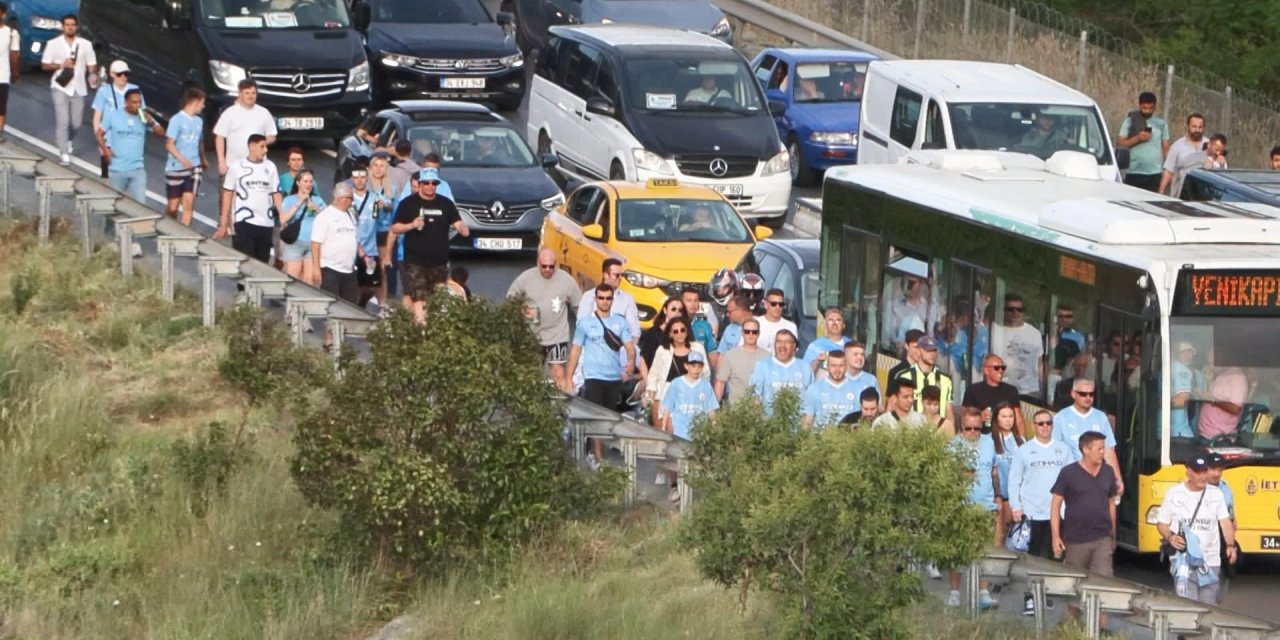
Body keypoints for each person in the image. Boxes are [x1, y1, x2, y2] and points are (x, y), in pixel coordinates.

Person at [1008, 408, 1073, 616]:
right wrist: (1016, 507)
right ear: (1033, 426)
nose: (1045, 427)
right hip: (1032, 512)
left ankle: (1044, 594)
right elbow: (1014, 479)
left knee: (1054, 556)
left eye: (1048, 423)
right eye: (1040, 424)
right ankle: (1030, 598)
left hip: (1057, 513)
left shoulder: (1063, 450)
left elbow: (1072, 479)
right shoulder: (1024, 450)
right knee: (1033, 557)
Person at [564, 283, 636, 468]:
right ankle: (598, 458)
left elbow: (629, 345)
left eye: (608, 298)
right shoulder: (585, 323)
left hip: (613, 377)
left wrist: (629, 362)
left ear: (612, 300)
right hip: (593, 376)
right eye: (601, 298)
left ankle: (593, 451)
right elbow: (576, 350)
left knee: (609, 418)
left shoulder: (620, 322)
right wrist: (568, 377)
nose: (604, 301)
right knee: (597, 417)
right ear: (595, 299)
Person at [1050, 431, 1118, 627]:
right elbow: (1055, 504)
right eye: (1099, 448)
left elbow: (1111, 503)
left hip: (1102, 537)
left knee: (1103, 584)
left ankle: (1102, 629)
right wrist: (1056, 536)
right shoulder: (1069, 473)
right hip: (1076, 538)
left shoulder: (1107, 472)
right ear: (1086, 450)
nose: (1103, 452)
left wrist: (1113, 533)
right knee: (1074, 585)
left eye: (1103, 448)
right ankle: (1071, 626)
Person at [387, 167, 468, 324]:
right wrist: (411, 225)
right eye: (426, 183)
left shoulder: (445, 204)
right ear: (420, 184)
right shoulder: (408, 203)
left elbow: (458, 222)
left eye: (433, 183)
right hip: (415, 261)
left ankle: (429, 328)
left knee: (436, 298)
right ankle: (421, 330)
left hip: (439, 261)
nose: (430, 186)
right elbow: (395, 228)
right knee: (419, 298)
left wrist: (462, 228)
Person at [1155, 456, 1236, 605]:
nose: (1203, 476)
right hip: (1183, 561)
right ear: (1188, 473)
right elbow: (1161, 523)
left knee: (1208, 605)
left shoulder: (1216, 494)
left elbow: (1225, 522)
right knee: (1187, 605)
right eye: (1198, 472)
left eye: (1205, 471)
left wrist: (1231, 546)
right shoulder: (1174, 493)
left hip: (1210, 561)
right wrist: (1170, 537)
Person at [947, 407, 999, 609]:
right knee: (958, 552)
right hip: (961, 507)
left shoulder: (988, 443)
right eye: (968, 428)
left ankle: (983, 592)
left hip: (986, 506)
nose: (973, 432)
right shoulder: (952, 446)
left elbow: (994, 472)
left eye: (977, 428)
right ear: (961, 426)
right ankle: (954, 592)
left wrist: (998, 498)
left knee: (985, 551)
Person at [508, 249, 581, 391]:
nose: (548, 269)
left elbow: (578, 306)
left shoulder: (566, 280)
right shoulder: (525, 278)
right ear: (538, 263)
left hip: (557, 335)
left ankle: (560, 404)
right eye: (544, 266)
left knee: (558, 372)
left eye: (551, 266)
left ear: (555, 264)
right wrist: (523, 310)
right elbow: (510, 300)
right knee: (531, 373)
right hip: (532, 336)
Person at [215, 134, 282, 263]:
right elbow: (227, 195)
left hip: (266, 222)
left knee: (262, 263)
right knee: (246, 262)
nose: (265, 150)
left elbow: (276, 193)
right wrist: (224, 224)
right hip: (244, 221)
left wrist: (283, 217)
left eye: (266, 146)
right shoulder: (237, 167)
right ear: (252, 146)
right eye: (262, 146)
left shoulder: (270, 167)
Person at [42, 14, 98, 166]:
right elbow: (45, 65)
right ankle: (63, 153)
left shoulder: (85, 44)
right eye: (67, 24)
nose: (70, 27)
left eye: (72, 24)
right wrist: (61, 65)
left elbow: (91, 64)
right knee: (63, 121)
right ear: (62, 26)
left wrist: (92, 74)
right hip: (60, 86)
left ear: (77, 26)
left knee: (76, 123)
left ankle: (69, 140)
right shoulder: (53, 44)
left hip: (79, 87)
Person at [1054, 378, 1124, 500]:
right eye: (1083, 394)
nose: (1088, 397)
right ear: (1073, 394)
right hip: (1072, 479)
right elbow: (1055, 451)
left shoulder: (1101, 417)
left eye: (1091, 394)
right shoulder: (1061, 418)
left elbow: (1109, 451)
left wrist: (1117, 479)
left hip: (1098, 477)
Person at [575, 259, 642, 383]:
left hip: (620, 349)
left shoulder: (627, 299)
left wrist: (627, 352)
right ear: (605, 275)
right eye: (617, 275)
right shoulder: (589, 297)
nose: (620, 278)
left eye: (622, 275)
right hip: (593, 349)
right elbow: (581, 327)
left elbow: (635, 332)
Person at [94, 89, 164, 203]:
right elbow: (99, 134)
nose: (138, 105)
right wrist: (105, 150)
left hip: (137, 169)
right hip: (117, 169)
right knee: (113, 205)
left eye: (139, 102)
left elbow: (161, 133)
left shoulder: (144, 116)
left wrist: (151, 122)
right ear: (126, 102)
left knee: (141, 207)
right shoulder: (114, 115)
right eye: (134, 102)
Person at [310, 182, 371, 307]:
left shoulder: (351, 215)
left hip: (349, 269)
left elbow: (354, 239)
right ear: (342, 199)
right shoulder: (325, 216)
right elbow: (316, 244)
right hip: (330, 269)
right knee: (332, 308)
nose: (352, 202)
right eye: (351, 199)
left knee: (349, 307)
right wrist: (316, 268)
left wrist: (364, 256)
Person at [647, 316, 710, 426]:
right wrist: (651, 396)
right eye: (675, 331)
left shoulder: (697, 348)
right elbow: (654, 374)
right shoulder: (663, 350)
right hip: (668, 392)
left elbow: (705, 373)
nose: (680, 333)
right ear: (670, 334)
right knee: (671, 428)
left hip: (692, 394)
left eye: (682, 330)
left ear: (687, 331)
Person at [213, 79, 276, 177]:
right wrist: (221, 162)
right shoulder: (229, 113)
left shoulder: (264, 113)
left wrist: (260, 143)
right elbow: (219, 137)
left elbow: (272, 135)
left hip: (259, 167)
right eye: (247, 93)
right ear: (240, 93)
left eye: (253, 93)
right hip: (233, 167)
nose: (250, 96)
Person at [91, 60, 143, 178]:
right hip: (109, 137)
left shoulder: (135, 89)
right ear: (113, 74)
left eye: (126, 74)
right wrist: (98, 137)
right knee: (107, 173)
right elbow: (97, 116)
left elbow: (141, 111)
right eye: (120, 74)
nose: (123, 77)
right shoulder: (104, 91)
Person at [163, 87, 207, 225]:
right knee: (173, 207)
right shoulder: (176, 120)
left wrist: (203, 159)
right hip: (176, 168)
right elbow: (169, 144)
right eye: (202, 103)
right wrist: (183, 159)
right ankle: (168, 229)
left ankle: (183, 238)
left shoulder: (199, 121)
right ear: (195, 102)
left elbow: (200, 142)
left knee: (189, 205)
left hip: (194, 168)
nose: (203, 106)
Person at [371, 155, 409, 313]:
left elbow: (398, 211)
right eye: (375, 165)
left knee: (383, 269)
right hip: (367, 232)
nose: (378, 169)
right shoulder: (366, 188)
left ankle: (383, 303)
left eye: (382, 166)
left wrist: (387, 207)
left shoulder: (391, 189)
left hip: (384, 231)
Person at [1115, 91, 1170, 192]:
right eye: (1144, 108)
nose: (1147, 111)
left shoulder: (1161, 124)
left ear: (1155, 107)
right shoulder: (1130, 121)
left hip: (1155, 173)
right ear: (1140, 105)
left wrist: (1168, 170)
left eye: (1150, 108)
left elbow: (1166, 148)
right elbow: (1120, 144)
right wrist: (1138, 138)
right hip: (1134, 171)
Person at [277, 169, 325, 283]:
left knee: (309, 281)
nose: (308, 184)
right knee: (293, 278)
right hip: (295, 243)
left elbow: (328, 220)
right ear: (298, 183)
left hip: (313, 244)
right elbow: (283, 219)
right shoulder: (290, 200)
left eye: (310, 181)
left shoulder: (318, 200)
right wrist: (299, 203)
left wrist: (317, 209)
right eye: (305, 181)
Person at [749, 329, 812, 414]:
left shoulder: (805, 367)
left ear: (793, 345)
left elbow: (811, 399)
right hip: (771, 423)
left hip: (798, 423)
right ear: (774, 345)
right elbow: (755, 396)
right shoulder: (763, 366)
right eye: (779, 341)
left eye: (787, 342)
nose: (782, 345)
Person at [992, 294, 1043, 397]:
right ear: (1003, 310)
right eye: (1010, 309)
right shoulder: (993, 330)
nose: (1015, 313)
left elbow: (1040, 363)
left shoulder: (1034, 333)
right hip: (1001, 389)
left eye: (1020, 309)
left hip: (1029, 391)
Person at [962, 355, 1025, 434]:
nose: (1001, 371)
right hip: (980, 437)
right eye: (996, 368)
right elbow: (963, 417)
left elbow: (1019, 420)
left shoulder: (1011, 391)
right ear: (986, 371)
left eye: (1003, 368)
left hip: (1006, 437)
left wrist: (1022, 441)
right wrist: (979, 417)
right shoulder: (972, 390)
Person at [896, 335, 954, 419]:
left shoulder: (946, 380)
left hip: (937, 429)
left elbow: (949, 411)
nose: (932, 354)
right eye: (928, 350)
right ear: (919, 351)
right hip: (911, 429)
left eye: (934, 350)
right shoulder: (904, 376)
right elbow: (894, 405)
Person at [802, 350, 862, 429]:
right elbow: (807, 421)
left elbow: (861, 420)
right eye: (833, 365)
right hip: (821, 439)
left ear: (846, 366)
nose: (837, 369)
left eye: (841, 365)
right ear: (827, 366)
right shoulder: (814, 389)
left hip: (848, 439)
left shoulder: (858, 389)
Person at [1205, 454, 1237, 601]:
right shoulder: (1196, 487)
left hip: (1222, 541)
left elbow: (1231, 518)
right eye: (1212, 469)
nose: (1216, 474)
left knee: (1221, 582)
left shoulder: (1226, 489)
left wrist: (1231, 546)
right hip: (1204, 541)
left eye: (1219, 470)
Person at [991, 402, 1024, 541]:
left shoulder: (1021, 441)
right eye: (1004, 416)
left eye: (1011, 416)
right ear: (996, 418)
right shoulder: (989, 440)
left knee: (1012, 535)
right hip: (996, 495)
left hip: (1015, 497)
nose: (1008, 420)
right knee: (998, 536)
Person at [715, 318, 768, 405]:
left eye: (754, 332)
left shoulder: (767, 356)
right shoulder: (730, 355)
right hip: (735, 411)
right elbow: (720, 383)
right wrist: (715, 409)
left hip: (760, 412)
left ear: (758, 334)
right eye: (747, 331)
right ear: (742, 333)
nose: (750, 334)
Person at [638, 297, 688, 381]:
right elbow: (644, 362)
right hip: (659, 383)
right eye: (673, 309)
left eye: (680, 310)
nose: (677, 312)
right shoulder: (653, 333)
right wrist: (648, 384)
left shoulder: (686, 331)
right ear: (665, 310)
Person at [1159, 113, 1207, 196]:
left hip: (1203, 194)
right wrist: (1160, 192)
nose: (1197, 130)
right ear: (1187, 126)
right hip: (1181, 194)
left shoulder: (1210, 145)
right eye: (1194, 126)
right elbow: (1168, 171)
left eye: (1200, 127)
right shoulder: (1177, 146)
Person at [1198, 365, 1247, 440]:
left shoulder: (1237, 377)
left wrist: (1213, 400)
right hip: (1207, 434)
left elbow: (1235, 408)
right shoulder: (1223, 374)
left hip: (1219, 438)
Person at [803, 308, 850, 377]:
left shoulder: (850, 345)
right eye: (831, 320)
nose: (834, 323)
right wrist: (817, 362)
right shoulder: (815, 346)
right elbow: (805, 373)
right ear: (825, 324)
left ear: (843, 325)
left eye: (838, 320)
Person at [1170, 341, 1199, 439]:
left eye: (1190, 352)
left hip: (1173, 431)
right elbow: (1181, 400)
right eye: (1183, 352)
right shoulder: (1180, 369)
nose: (1188, 355)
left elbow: (1181, 399)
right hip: (1176, 431)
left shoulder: (1181, 369)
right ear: (1176, 353)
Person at [755, 288, 798, 354]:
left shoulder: (791, 327)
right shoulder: (755, 323)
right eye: (773, 304)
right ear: (766, 304)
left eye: (781, 304)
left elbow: (793, 352)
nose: (777, 307)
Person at [714, 293, 754, 363]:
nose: (727, 314)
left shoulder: (760, 327)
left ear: (741, 311)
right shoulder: (729, 328)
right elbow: (722, 356)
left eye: (729, 312)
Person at [0, 3, 18, 142]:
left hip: (3, 75)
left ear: (3, 14)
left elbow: (14, 54)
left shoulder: (12, 33)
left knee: (1, 106)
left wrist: (15, 72)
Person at [681, 287, 718, 355]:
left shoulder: (704, 318)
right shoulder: (675, 320)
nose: (693, 304)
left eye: (696, 300)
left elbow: (713, 338)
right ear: (681, 302)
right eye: (689, 300)